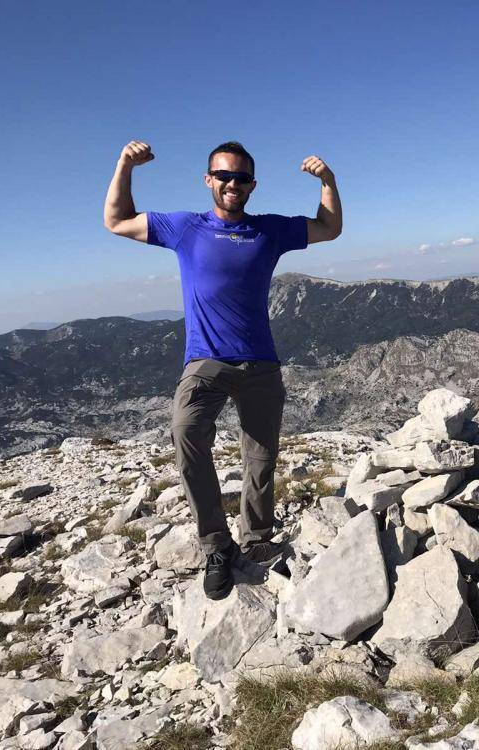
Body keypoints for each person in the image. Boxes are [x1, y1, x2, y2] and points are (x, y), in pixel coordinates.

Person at [102, 140, 342, 599]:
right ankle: (216, 545)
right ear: (208, 180)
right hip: (206, 362)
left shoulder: (268, 229)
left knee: (261, 458)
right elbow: (116, 220)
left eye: (241, 177)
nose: (233, 184)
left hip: (261, 363)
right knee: (186, 431)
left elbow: (329, 228)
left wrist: (327, 181)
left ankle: (256, 539)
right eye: (224, 176)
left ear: (252, 184)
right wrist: (124, 165)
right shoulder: (185, 228)